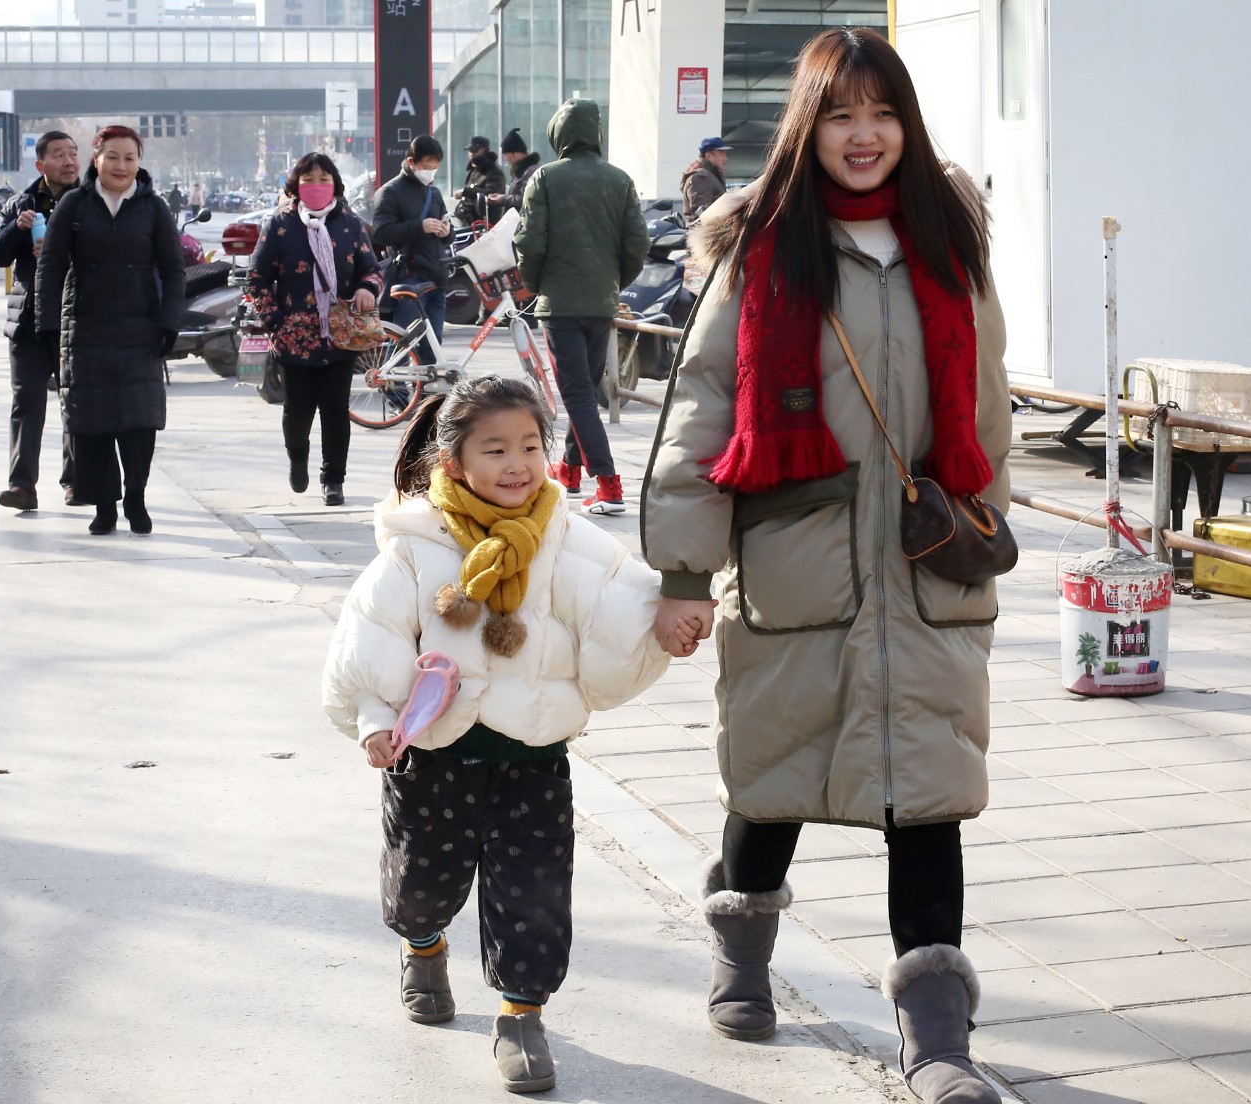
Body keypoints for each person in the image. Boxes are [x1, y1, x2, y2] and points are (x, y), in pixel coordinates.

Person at [641, 28, 1011, 1104]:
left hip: (926, 573)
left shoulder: (949, 243)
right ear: (808, 125)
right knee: (772, 785)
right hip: (794, 569)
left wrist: (977, 523)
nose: (863, 134)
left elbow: (987, 404)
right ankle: (741, 952)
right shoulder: (764, 247)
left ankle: (937, 1041)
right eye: (841, 113)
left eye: (882, 113)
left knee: (929, 801)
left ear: (907, 125)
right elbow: (702, 411)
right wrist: (682, 576)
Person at [322, 375, 672, 1095]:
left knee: (533, 894)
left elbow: (626, 605)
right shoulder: (417, 545)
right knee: (423, 885)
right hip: (433, 756)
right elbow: (370, 637)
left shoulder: (568, 539)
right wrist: (374, 720)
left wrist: (675, 616)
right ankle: (423, 946)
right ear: (453, 462)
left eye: (530, 446)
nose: (518, 464)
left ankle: (520, 1016)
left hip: (532, 755)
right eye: (496, 449)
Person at [36, 124, 186, 537]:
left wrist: (170, 320)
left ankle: (136, 494)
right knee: (92, 422)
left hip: (141, 328)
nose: (121, 166)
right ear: (96, 159)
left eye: (130, 158)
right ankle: (104, 505)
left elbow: (173, 270)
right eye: (113, 157)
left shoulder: (153, 208)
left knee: (140, 421)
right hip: (85, 329)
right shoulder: (74, 205)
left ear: (139, 163)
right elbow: (50, 267)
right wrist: (47, 324)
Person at [514, 98, 648, 515]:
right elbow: (637, 244)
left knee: (576, 392)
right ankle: (569, 472)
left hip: (560, 302)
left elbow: (529, 241)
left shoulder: (545, 177)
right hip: (602, 301)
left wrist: (536, 284)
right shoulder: (620, 179)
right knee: (585, 391)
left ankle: (608, 484)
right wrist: (613, 283)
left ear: (559, 134)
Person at [247, 153, 383, 507]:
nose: (317, 185)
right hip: (295, 338)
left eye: (324, 179)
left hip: (340, 335)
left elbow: (371, 269)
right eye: (309, 179)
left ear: (335, 184)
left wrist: (367, 289)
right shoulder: (279, 225)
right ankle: (297, 456)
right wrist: (275, 321)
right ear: (296, 185)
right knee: (297, 410)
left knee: (336, 410)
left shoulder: (350, 224)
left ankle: (333, 479)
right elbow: (257, 278)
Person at [0, 130, 83, 512]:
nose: (68, 161)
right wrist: (18, 228)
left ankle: (76, 482)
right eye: (59, 154)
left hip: (74, 318)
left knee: (75, 402)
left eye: (73, 153)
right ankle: (22, 486)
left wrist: (63, 249)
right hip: (28, 321)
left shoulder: (89, 202)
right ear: (41, 164)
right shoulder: (20, 204)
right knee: (26, 402)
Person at [372, 135, 449, 367]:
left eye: (435, 167)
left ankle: (428, 390)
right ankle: (394, 387)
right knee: (404, 343)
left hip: (437, 278)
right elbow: (381, 233)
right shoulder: (390, 192)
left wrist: (447, 232)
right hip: (409, 278)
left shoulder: (434, 193)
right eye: (426, 167)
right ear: (411, 162)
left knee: (432, 348)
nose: (430, 172)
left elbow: (447, 232)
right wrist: (419, 226)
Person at [454, 135, 506, 226]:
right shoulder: (475, 168)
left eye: (474, 151)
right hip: (467, 219)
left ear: (484, 150)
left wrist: (465, 192)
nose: (471, 154)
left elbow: (492, 193)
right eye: (470, 151)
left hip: (484, 222)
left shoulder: (494, 170)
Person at [486, 128, 540, 213]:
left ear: (515, 153)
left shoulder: (530, 171)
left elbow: (525, 199)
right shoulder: (521, 171)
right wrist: (501, 197)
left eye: (506, 155)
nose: (506, 158)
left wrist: (502, 199)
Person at [680, 137, 731, 224]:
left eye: (725, 154)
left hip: (713, 229)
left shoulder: (712, 176)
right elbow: (701, 214)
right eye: (721, 154)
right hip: (705, 230)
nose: (725, 158)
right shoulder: (701, 177)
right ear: (708, 156)